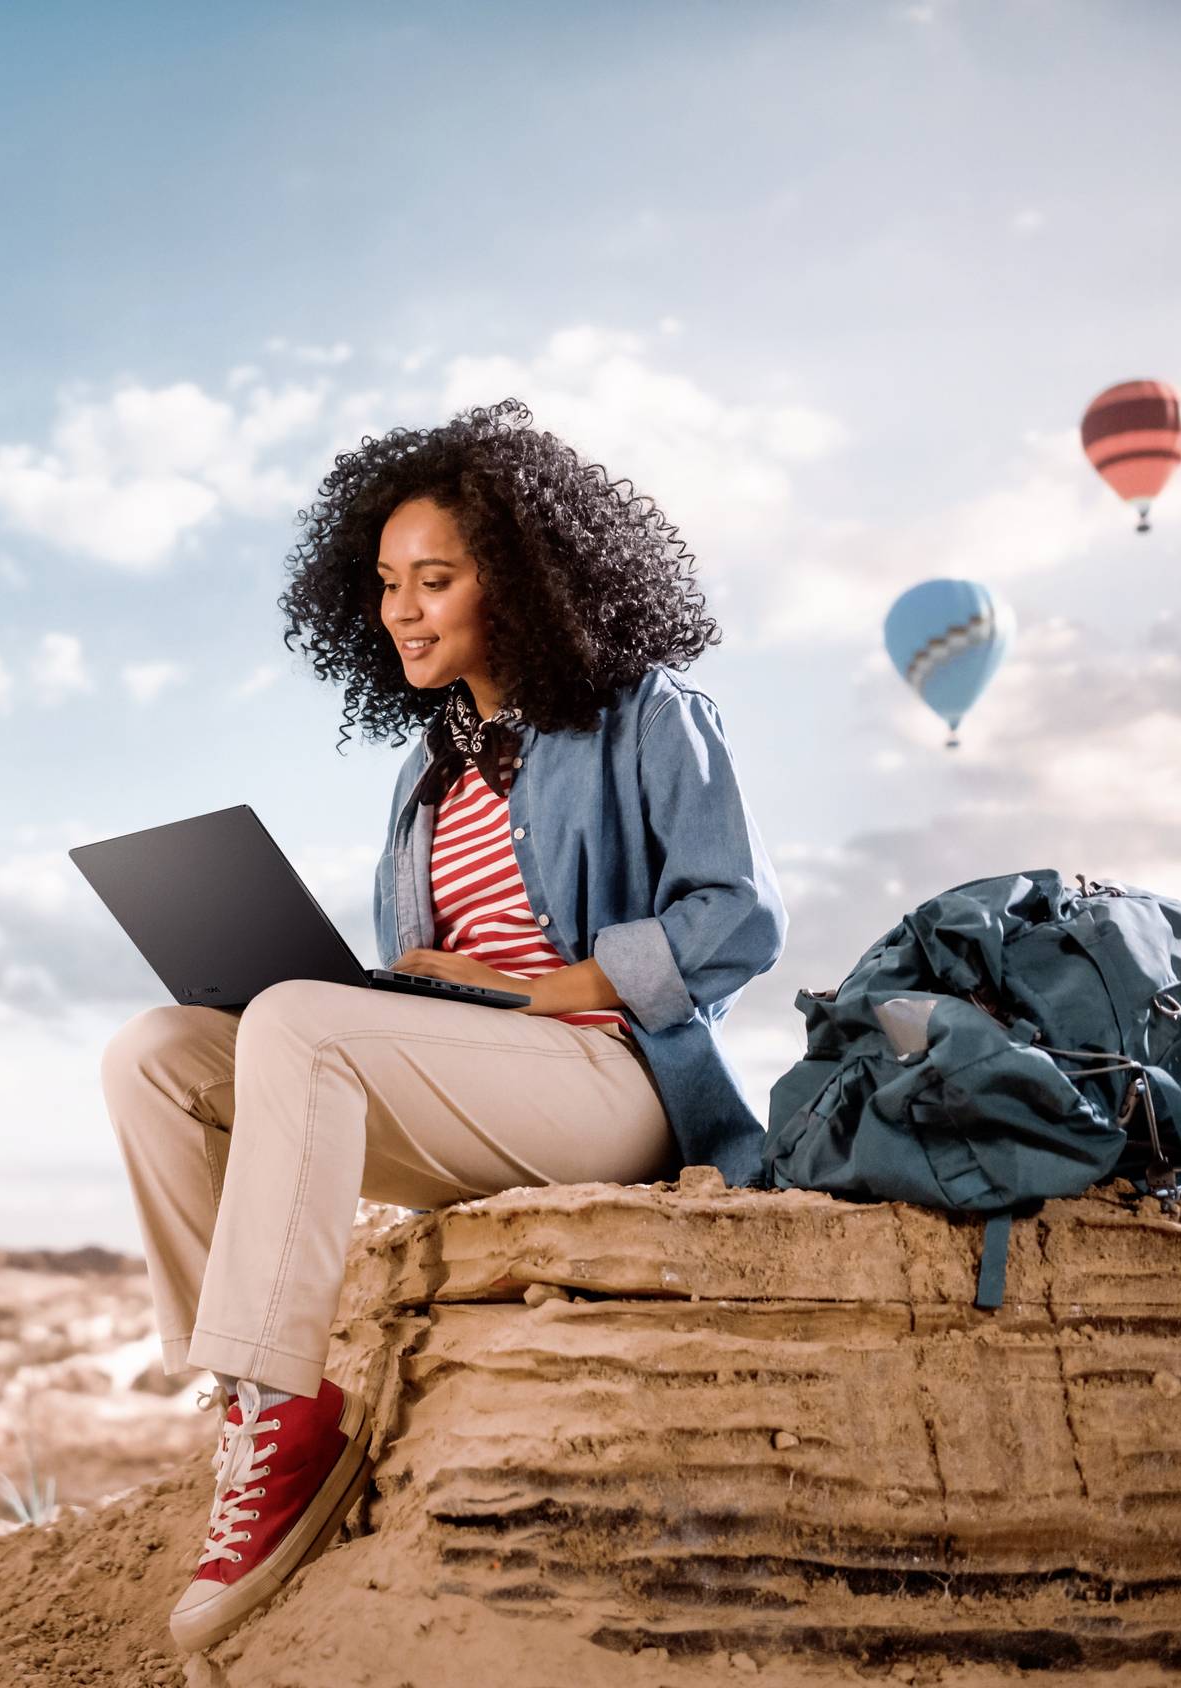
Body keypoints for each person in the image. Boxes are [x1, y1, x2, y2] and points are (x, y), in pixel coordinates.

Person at [100, 398, 787, 1653]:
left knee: (307, 1022)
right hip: (487, 1085)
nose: (401, 609)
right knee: (155, 1052)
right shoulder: (427, 772)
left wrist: (530, 992)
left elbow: (735, 920)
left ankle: (278, 1413)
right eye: (383, 583)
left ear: (518, 582)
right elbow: (422, 994)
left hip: (618, 1080)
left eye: (436, 579)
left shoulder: (647, 711)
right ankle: (267, 1408)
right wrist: (402, 986)